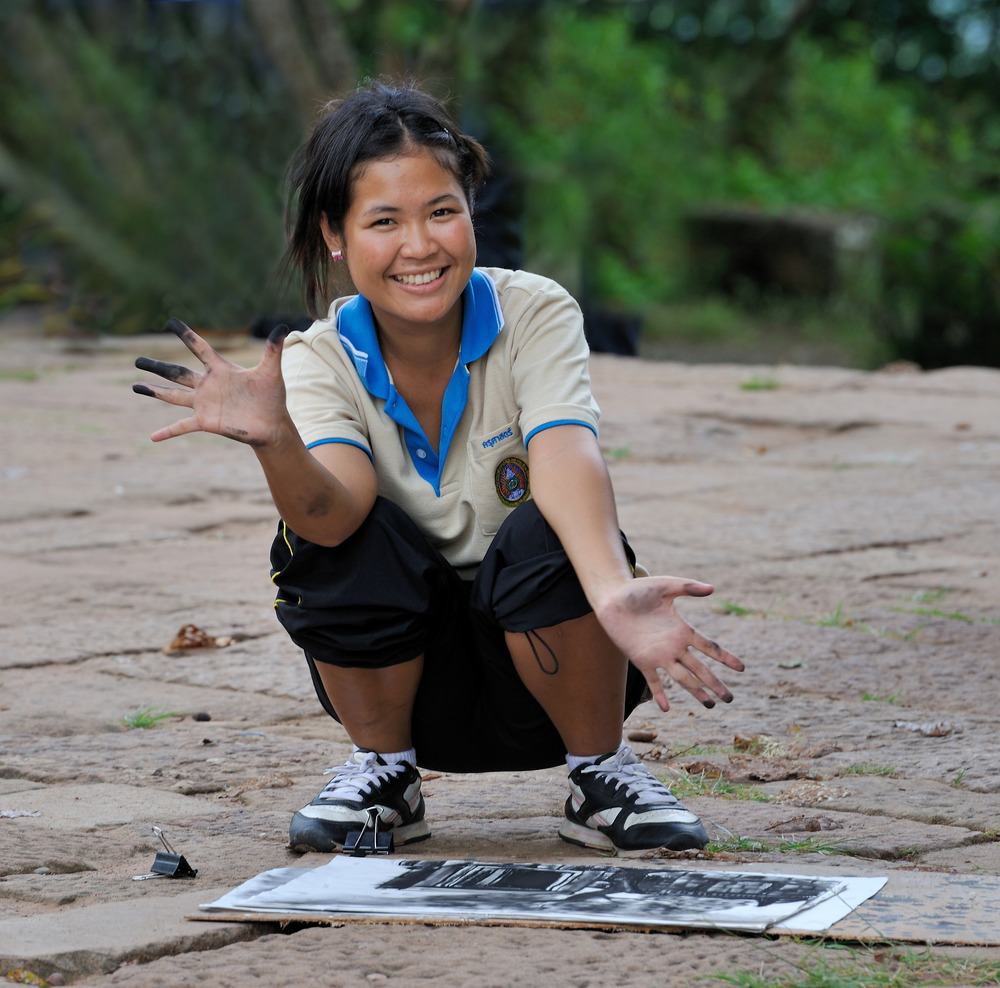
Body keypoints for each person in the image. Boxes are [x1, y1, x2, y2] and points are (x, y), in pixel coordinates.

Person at [132, 79, 743, 857]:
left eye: (441, 212)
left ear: (469, 211)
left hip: (553, 680)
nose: (420, 246)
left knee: (548, 529)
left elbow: (564, 450)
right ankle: (385, 774)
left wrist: (611, 589)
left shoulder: (535, 310)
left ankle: (600, 773)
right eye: (384, 221)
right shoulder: (318, 358)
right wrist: (275, 442)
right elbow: (335, 514)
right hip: (405, 689)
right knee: (329, 541)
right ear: (335, 235)